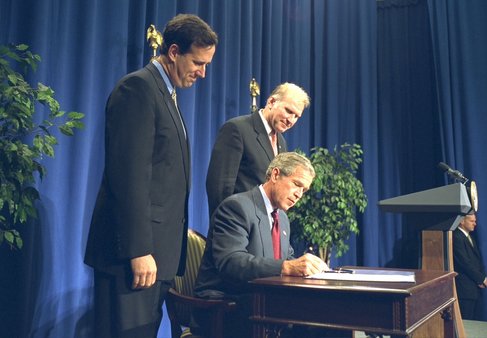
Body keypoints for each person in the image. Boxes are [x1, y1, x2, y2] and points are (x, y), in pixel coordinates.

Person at [84, 14, 218, 338]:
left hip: (158, 259)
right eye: (198, 63)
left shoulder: (166, 94)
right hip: (134, 257)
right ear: (173, 52)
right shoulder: (139, 88)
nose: (202, 73)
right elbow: (129, 176)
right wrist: (139, 250)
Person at [193, 152, 329, 337]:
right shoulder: (236, 207)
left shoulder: (282, 217)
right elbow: (231, 262)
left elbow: (286, 258)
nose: (299, 195)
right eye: (297, 184)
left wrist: (309, 270)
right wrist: (287, 267)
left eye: (304, 191)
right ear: (275, 175)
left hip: (260, 302)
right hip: (224, 305)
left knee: (325, 318)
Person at [206, 82, 310, 216]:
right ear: (271, 102)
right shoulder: (237, 129)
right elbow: (219, 187)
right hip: (235, 227)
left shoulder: (281, 143)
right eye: (288, 111)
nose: (291, 120)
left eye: (296, 116)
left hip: (263, 230)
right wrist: (227, 226)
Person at [453, 212, 487, 320]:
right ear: (462, 221)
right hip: (464, 290)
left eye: (475, 221)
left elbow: (476, 261)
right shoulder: (457, 237)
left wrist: (482, 277)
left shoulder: (469, 237)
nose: (475, 224)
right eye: (472, 221)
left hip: (473, 289)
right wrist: (481, 278)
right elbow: (464, 263)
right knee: (466, 322)